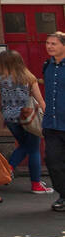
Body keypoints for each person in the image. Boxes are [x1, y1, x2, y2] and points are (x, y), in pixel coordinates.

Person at [0, 50, 50, 194]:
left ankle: (8, 170)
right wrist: (47, 116)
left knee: (24, 146)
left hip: (10, 117)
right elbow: (41, 100)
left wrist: (6, 114)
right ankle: (35, 184)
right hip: (29, 116)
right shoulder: (29, 78)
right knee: (33, 149)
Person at [42, 31, 65, 211]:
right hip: (51, 124)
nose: (49, 46)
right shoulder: (46, 66)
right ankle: (63, 194)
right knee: (53, 161)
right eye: (48, 43)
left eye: (54, 43)